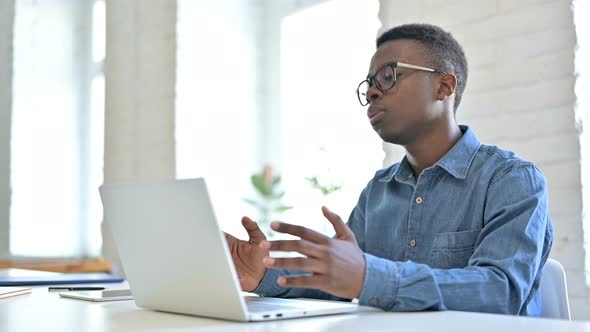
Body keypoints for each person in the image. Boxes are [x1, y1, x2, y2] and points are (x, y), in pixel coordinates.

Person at [225, 23, 553, 316]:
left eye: (388, 76)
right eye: (369, 83)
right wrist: (264, 274)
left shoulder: (511, 179)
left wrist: (370, 276)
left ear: (444, 87)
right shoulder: (378, 191)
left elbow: (501, 292)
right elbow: (341, 280)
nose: (371, 92)